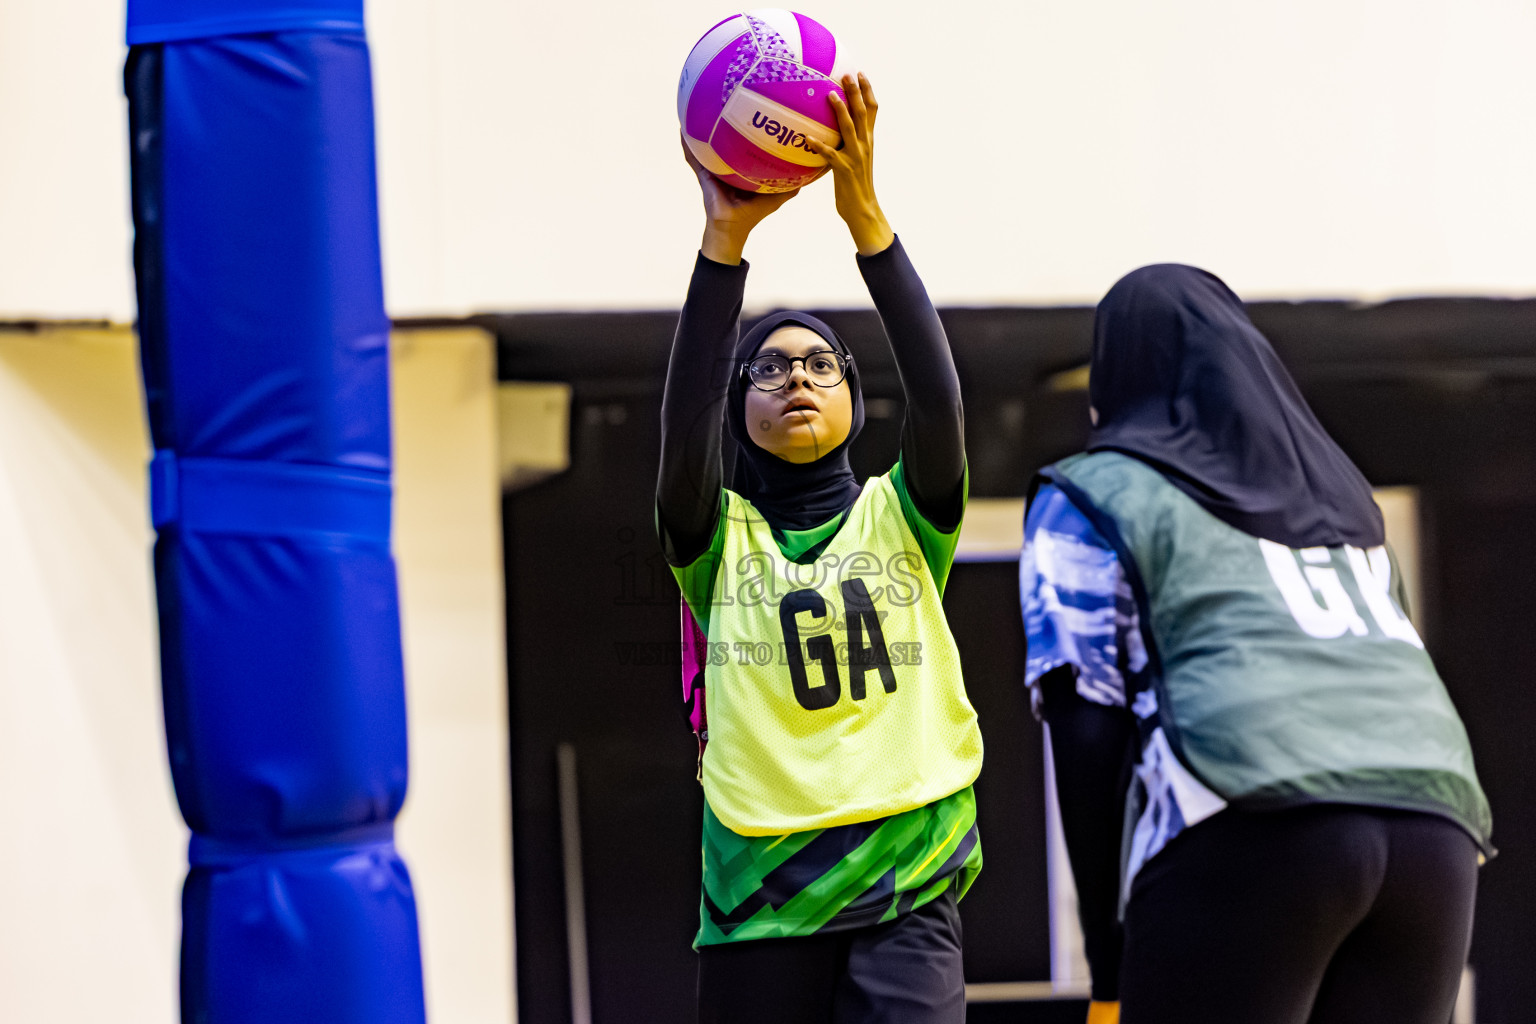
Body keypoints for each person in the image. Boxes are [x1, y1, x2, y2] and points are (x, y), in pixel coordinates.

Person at [1020, 264, 1493, 1024]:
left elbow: (1086, 723)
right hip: (1435, 826)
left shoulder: (1091, 491)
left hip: (1254, 808)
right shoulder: (1347, 499)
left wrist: (1107, 970)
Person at [658, 74, 983, 1023]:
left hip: (907, 880)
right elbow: (681, 429)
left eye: (819, 364)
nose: (796, 377)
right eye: (769, 367)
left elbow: (941, 399)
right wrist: (726, 245)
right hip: (760, 899)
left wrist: (869, 223)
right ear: (741, 407)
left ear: (851, 398)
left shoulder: (908, 519)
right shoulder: (716, 541)